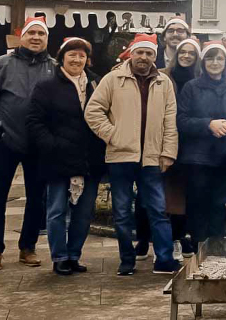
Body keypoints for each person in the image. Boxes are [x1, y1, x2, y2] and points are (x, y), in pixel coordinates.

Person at [84, 32, 180, 276]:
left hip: (152, 158)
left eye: (149, 53)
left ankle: (164, 260)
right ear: (131, 53)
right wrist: (113, 135)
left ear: (153, 57)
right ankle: (127, 260)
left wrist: (168, 152)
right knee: (122, 211)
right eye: (140, 52)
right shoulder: (113, 79)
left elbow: (170, 120)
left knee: (158, 210)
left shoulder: (164, 83)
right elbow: (93, 111)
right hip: (120, 157)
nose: (144, 57)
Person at [0, 16, 55, 272]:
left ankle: (27, 247)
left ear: (46, 39)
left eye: (41, 34)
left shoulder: (54, 67)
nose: (36, 38)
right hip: (6, 142)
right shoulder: (1, 65)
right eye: (31, 33)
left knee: (37, 199)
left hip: (39, 145)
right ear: (22, 37)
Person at [25, 37, 100, 276]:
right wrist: (52, 144)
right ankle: (59, 257)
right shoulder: (46, 86)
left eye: (82, 55)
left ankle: (74, 254)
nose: (77, 60)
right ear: (62, 58)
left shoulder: (95, 84)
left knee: (84, 211)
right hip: (57, 157)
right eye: (72, 55)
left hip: (89, 157)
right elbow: (34, 121)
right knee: (56, 210)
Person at [177, 40, 226, 245]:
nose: (215, 62)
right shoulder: (191, 87)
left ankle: (216, 248)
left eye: (219, 58)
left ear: (225, 61)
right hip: (198, 158)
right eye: (210, 58)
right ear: (203, 62)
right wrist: (208, 124)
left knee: (219, 204)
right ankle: (198, 247)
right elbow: (181, 119)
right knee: (197, 204)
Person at [163, 37, 203, 257]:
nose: (186, 56)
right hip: (169, 138)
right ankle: (175, 238)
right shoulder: (164, 76)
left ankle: (186, 236)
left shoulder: (201, 77)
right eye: (182, 52)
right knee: (172, 193)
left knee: (191, 193)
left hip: (193, 142)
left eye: (191, 53)